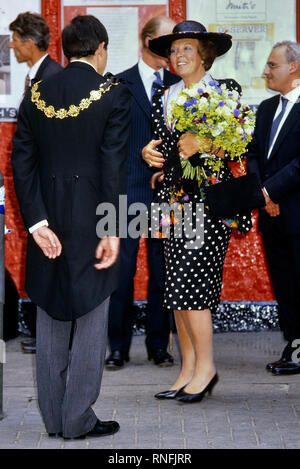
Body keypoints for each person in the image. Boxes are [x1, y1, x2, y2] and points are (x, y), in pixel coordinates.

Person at [11, 15, 130, 439]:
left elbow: (21, 163)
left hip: (49, 218)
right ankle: (77, 418)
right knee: (92, 314)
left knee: (51, 313)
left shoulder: (37, 92)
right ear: (100, 49)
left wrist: (37, 221)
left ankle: (53, 417)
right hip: (93, 219)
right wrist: (112, 228)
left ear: (64, 50)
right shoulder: (114, 93)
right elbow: (113, 166)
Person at [142, 21, 251, 403]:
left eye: (186, 48)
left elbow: (239, 147)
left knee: (193, 287)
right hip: (170, 203)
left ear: (204, 53)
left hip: (208, 202)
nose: (178, 56)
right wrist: (150, 156)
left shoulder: (224, 92)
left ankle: (206, 368)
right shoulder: (163, 96)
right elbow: (166, 150)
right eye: (173, 50)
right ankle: (187, 369)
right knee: (174, 288)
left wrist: (206, 141)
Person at [105, 16, 180, 370]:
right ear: (146, 41)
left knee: (166, 272)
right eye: (166, 41)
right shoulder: (118, 83)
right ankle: (117, 347)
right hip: (127, 191)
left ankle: (159, 346)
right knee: (121, 273)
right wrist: (140, 152)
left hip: (172, 193)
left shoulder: (182, 85)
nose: (172, 49)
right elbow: (109, 143)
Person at [9, 11, 62, 354]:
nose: (11, 45)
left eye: (15, 38)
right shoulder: (36, 76)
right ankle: (48, 332)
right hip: (42, 189)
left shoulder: (52, 78)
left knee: (53, 260)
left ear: (29, 42)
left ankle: (55, 336)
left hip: (51, 189)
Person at [247, 41, 300, 376]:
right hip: (271, 215)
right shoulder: (266, 108)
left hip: (295, 213)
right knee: (284, 284)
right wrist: (262, 196)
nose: (265, 71)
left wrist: (269, 192)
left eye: (272, 65)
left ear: (293, 67)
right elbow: (254, 154)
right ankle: (293, 344)